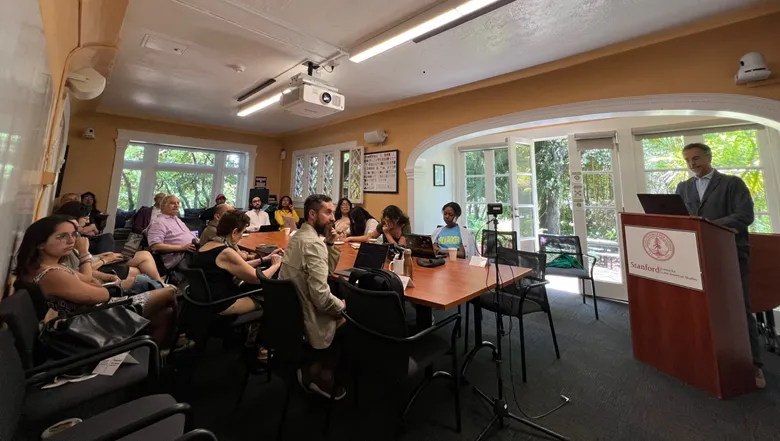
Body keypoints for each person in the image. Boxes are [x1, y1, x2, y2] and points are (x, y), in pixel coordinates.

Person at [675, 142, 764, 389]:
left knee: (739, 308)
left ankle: (753, 365)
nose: (693, 164)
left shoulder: (732, 184)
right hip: (695, 254)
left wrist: (708, 225)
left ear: (709, 157)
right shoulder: (683, 187)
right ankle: (705, 357)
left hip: (731, 253)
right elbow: (679, 217)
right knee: (700, 306)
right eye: (688, 161)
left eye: (696, 159)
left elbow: (745, 216)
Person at [14, 215, 179, 348]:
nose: (71, 241)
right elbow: (101, 294)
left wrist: (92, 283)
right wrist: (85, 255)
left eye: (73, 235)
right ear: (40, 244)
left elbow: (90, 280)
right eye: (62, 236)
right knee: (168, 292)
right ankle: (171, 346)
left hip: (87, 316)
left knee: (165, 312)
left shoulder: (51, 266)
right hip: (85, 327)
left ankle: (157, 356)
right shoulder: (52, 274)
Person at [279, 194, 346, 399]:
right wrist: (342, 307)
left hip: (291, 311)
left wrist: (330, 244)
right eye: (327, 212)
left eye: (333, 212)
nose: (333, 218)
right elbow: (322, 299)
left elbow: (323, 273)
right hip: (308, 313)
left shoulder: (298, 237)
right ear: (311, 214)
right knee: (354, 315)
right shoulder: (313, 244)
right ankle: (320, 374)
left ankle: (311, 366)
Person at [55, 201, 162, 281]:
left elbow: (84, 259)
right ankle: (161, 284)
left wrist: (103, 255)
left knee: (143, 258)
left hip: (96, 261)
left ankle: (160, 285)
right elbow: (79, 268)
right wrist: (105, 260)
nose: (88, 221)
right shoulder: (66, 239)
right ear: (74, 218)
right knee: (142, 263)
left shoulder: (74, 235)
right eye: (86, 217)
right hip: (97, 267)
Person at [146, 195, 198, 270]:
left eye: (178, 203)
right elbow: (155, 246)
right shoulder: (158, 222)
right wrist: (182, 247)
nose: (176, 205)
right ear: (163, 206)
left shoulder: (177, 220)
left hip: (192, 250)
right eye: (172, 203)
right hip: (179, 256)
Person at [346, 205, 410, 246]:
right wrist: (350, 238)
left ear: (397, 219)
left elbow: (400, 249)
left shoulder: (404, 225)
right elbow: (369, 237)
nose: (388, 223)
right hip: (386, 254)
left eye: (391, 221)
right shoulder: (383, 224)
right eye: (386, 220)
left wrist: (387, 233)